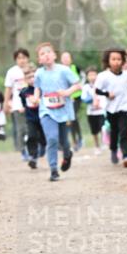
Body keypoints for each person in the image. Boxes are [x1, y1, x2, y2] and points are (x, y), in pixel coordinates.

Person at [33, 42, 81, 181]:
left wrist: (67, 92)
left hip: (64, 111)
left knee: (64, 141)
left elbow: (77, 85)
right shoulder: (39, 73)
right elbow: (37, 88)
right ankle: (53, 169)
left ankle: (67, 155)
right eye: (42, 53)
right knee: (52, 138)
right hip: (46, 111)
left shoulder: (64, 70)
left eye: (48, 52)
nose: (46, 55)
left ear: (54, 55)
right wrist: (36, 98)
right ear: (39, 59)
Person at [94, 48, 127, 167]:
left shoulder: (126, 75)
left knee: (124, 131)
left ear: (123, 61)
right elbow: (97, 90)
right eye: (113, 59)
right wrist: (107, 94)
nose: (116, 62)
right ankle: (113, 150)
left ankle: (126, 156)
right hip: (111, 108)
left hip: (125, 106)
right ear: (108, 61)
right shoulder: (103, 76)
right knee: (114, 131)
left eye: (119, 59)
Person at [3, 47, 31, 161]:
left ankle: (33, 147)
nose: (22, 60)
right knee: (21, 129)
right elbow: (8, 89)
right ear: (15, 60)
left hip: (31, 103)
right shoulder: (12, 72)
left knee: (32, 127)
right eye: (19, 58)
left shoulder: (32, 69)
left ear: (27, 58)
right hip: (17, 104)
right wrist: (5, 103)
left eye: (24, 57)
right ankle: (23, 150)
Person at [19, 67, 46, 168]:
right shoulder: (25, 91)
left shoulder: (42, 89)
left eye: (33, 77)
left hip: (43, 117)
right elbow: (23, 97)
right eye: (29, 77)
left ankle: (43, 147)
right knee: (31, 136)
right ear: (25, 80)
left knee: (43, 138)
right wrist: (23, 107)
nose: (32, 79)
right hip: (31, 118)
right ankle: (33, 157)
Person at [60, 51, 84, 150]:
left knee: (73, 118)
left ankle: (78, 140)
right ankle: (72, 140)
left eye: (67, 57)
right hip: (65, 97)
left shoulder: (76, 68)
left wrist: (81, 87)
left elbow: (83, 78)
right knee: (68, 119)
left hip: (76, 96)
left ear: (71, 59)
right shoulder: (59, 70)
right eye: (64, 58)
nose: (66, 59)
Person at [81, 67, 106, 153]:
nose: (92, 77)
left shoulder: (102, 86)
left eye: (94, 74)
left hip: (101, 111)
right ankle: (96, 146)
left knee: (103, 127)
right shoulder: (86, 87)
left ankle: (104, 143)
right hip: (91, 112)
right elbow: (84, 98)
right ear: (87, 77)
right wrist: (92, 99)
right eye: (90, 75)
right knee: (94, 131)